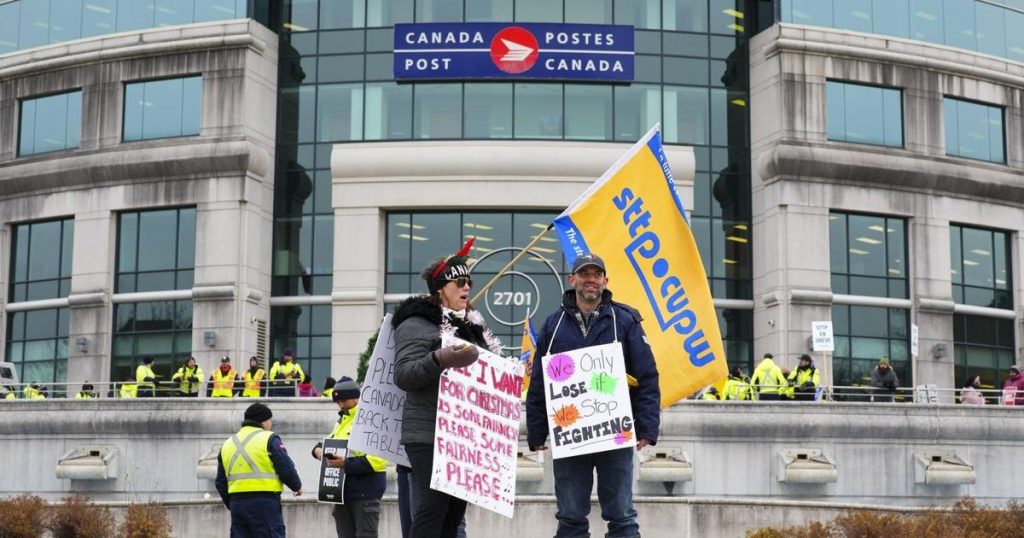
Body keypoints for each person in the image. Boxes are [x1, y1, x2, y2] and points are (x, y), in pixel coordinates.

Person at [526, 252, 661, 538]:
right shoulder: (553, 324)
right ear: (572, 279)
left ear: (605, 280)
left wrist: (647, 427)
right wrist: (536, 432)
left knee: (622, 516)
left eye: (596, 274)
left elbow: (648, 377)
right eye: (584, 274)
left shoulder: (625, 321)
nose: (591, 279)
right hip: (570, 435)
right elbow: (538, 383)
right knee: (570, 517)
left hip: (615, 435)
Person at [393, 239, 503, 538]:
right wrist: (439, 358)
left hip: (464, 434)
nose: (466, 286)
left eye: (468, 281)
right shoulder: (417, 323)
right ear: (441, 287)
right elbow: (404, 374)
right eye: (458, 282)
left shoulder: (472, 326)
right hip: (428, 433)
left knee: (453, 515)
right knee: (432, 510)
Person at [311, 377, 387, 537]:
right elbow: (331, 440)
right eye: (338, 402)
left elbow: (378, 460)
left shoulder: (370, 419)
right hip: (342, 493)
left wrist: (345, 464)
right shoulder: (342, 420)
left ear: (356, 397)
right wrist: (318, 450)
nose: (341, 405)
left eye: (344, 400)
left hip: (365, 492)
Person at [215, 402, 303, 538]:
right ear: (264, 421)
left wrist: (232, 503)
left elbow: (220, 482)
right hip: (264, 503)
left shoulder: (228, 443)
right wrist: (297, 486)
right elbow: (285, 467)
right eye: (270, 420)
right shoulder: (269, 438)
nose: (271, 424)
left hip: (237, 504)